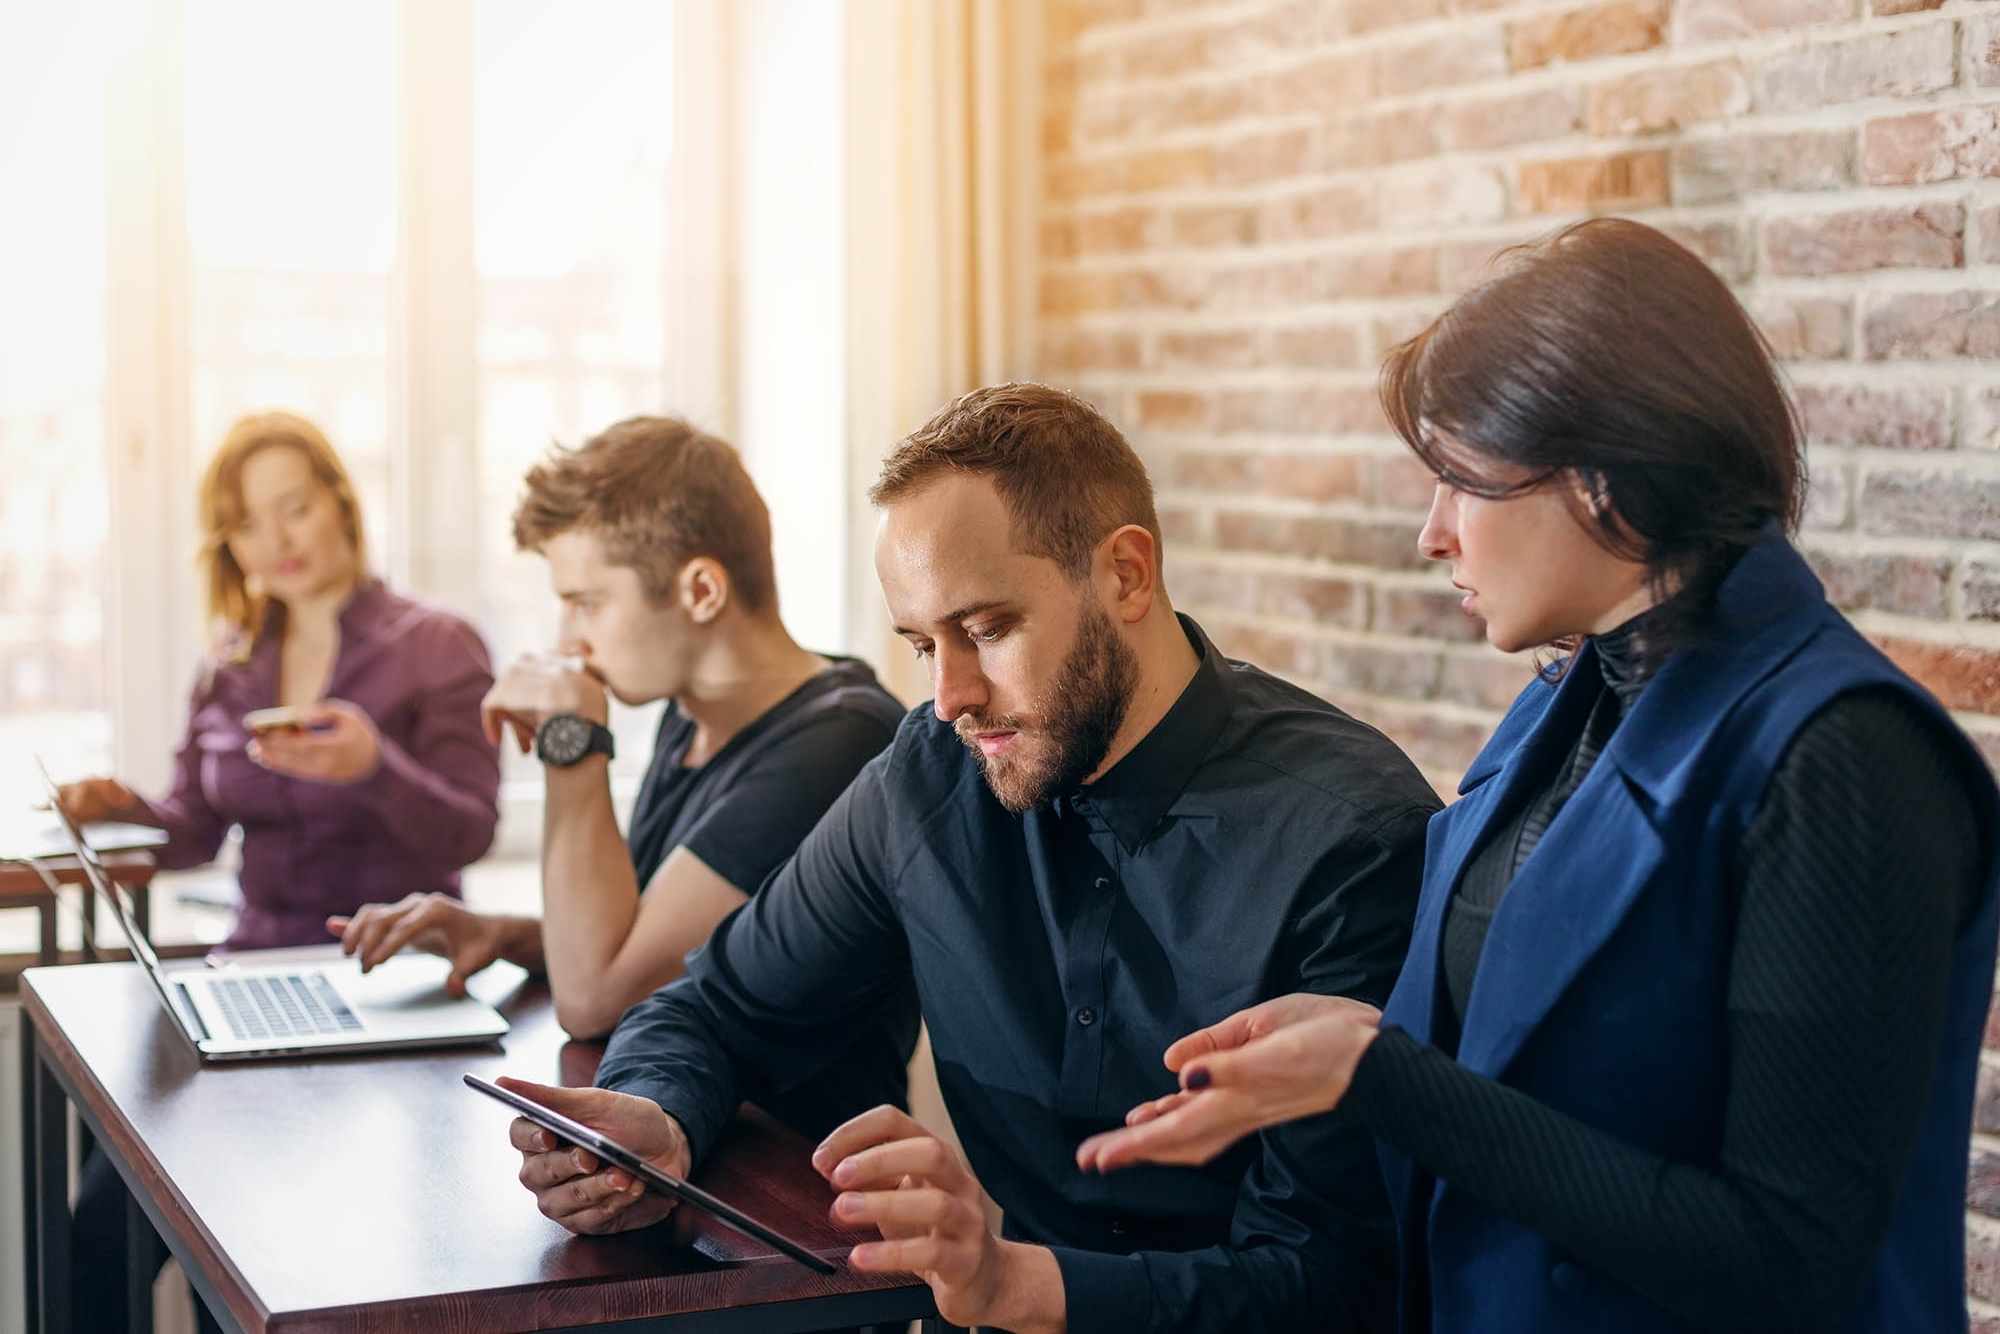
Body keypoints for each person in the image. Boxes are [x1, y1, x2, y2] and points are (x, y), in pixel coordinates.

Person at [1077, 219, 2000, 1334]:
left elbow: (1787, 1260)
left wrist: (1381, 1076)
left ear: (1603, 473)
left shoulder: (1842, 758)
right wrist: (1368, 1035)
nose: (1432, 533)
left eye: (1459, 480)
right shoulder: (1562, 702)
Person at [497, 384, 1442, 1333]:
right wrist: (658, 1122)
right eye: (922, 644)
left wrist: (1010, 1281)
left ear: (1125, 574)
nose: (950, 695)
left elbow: (1332, 1283)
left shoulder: (1350, 837)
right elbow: (715, 1008)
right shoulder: (928, 777)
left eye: (986, 630)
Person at [329, 417, 914, 1135]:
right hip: (684, 1130)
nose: (567, 641)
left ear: (702, 590)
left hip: (795, 1172)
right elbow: (650, 946)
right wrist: (506, 935)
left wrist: (571, 737)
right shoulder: (690, 716)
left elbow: (598, 997)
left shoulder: (839, 743)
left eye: (586, 602)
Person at [57, 409, 502, 1333]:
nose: (278, 540)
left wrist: (375, 766)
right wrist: (122, 806)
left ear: (341, 502)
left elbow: (469, 829)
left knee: (269, 1258)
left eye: (295, 507)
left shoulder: (437, 643)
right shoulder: (230, 661)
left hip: (392, 988)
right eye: (249, 524)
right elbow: (192, 831)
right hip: (250, 981)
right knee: (104, 1224)